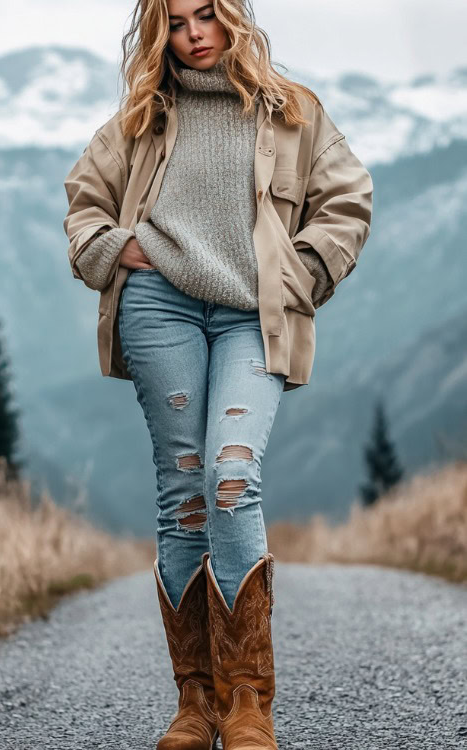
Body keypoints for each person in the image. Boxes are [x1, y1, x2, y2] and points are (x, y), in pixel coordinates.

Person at [62, 1, 373, 747]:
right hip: (159, 311)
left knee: (232, 477)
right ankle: (195, 704)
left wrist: (294, 275)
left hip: (250, 319)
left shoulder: (293, 112)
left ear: (233, 18)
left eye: (206, 14)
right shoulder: (140, 119)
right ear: (157, 32)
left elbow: (348, 200)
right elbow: (83, 206)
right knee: (185, 492)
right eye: (175, 21)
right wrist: (120, 251)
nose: (193, 33)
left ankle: (248, 704)